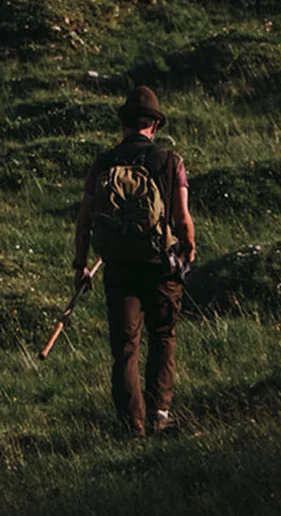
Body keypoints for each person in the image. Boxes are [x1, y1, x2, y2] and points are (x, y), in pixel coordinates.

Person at [72, 85, 196, 439]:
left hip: (118, 266)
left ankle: (132, 424)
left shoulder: (103, 162)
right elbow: (182, 217)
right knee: (163, 335)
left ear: (124, 124)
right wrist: (188, 248)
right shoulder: (170, 162)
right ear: (154, 125)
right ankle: (159, 414)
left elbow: (84, 220)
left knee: (125, 346)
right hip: (160, 266)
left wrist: (81, 264)